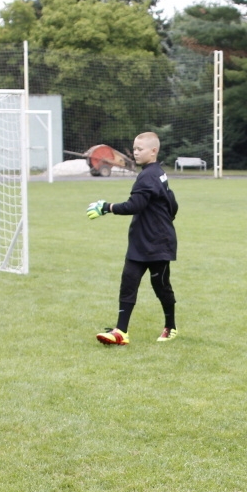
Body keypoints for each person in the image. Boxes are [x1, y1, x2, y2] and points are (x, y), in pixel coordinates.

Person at [86, 131, 180, 345]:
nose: (135, 153)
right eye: (134, 149)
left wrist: (106, 207)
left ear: (153, 151)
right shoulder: (156, 172)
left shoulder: (149, 175)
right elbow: (172, 203)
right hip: (141, 241)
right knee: (128, 282)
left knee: (161, 286)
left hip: (158, 244)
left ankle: (171, 326)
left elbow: (134, 206)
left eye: (140, 149)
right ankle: (121, 331)